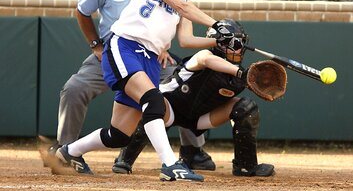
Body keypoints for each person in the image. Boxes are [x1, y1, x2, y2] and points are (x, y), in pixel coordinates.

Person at [55, 0, 238, 181]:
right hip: (125, 47)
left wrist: (221, 40)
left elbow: (186, 41)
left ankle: (68, 153)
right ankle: (170, 165)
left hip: (150, 59)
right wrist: (217, 24)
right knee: (154, 103)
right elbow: (183, 7)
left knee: (119, 134)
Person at [112, 19, 275, 177]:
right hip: (169, 108)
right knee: (156, 105)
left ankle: (245, 166)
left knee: (247, 107)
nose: (237, 49)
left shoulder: (239, 76)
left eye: (240, 43)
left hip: (197, 118)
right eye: (232, 44)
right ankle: (125, 158)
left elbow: (251, 84)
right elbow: (206, 60)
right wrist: (239, 72)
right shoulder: (205, 55)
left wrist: (262, 82)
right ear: (217, 43)